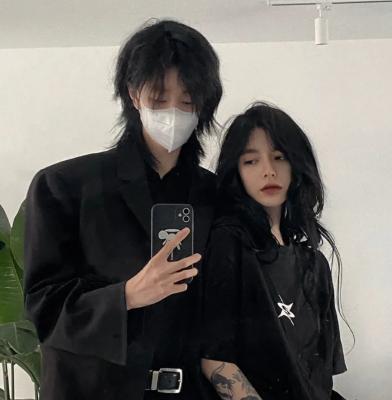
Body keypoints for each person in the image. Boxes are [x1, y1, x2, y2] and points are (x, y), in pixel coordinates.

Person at [23, 19, 222, 400]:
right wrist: (127, 295)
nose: (173, 113)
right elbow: (43, 309)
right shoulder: (63, 186)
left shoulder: (214, 195)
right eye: (159, 99)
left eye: (187, 101)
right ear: (133, 95)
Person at [200, 102, 348, 400]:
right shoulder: (228, 244)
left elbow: (319, 376)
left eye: (279, 157)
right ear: (236, 172)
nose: (268, 171)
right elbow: (215, 361)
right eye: (251, 161)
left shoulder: (315, 263)